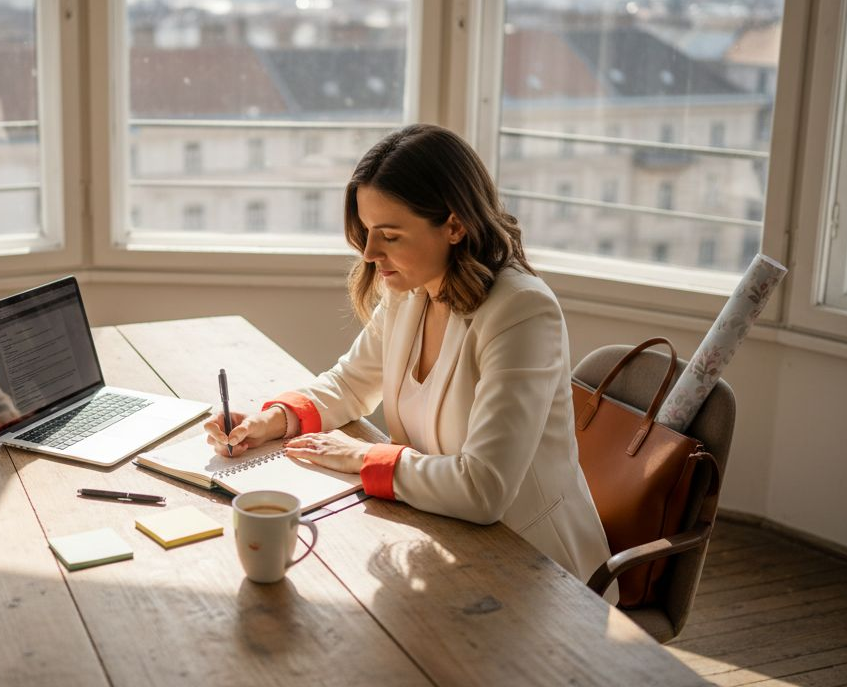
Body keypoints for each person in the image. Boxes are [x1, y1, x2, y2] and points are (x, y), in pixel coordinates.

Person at [204, 123, 613, 591]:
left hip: (535, 569)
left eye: (390, 235)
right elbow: (350, 383)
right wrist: (272, 420)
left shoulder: (522, 312)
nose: (369, 252)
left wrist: (362, 457)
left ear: (455, 225)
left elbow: (484, 489)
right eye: (366, 231)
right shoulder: (411, 289)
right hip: (439, 537)